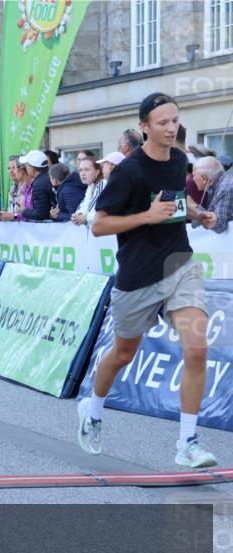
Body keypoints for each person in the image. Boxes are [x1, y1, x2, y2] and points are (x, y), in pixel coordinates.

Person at [79, 93, 220, 468]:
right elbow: (99, 225)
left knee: (197, 349)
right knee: (123, 354)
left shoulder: (178, 160)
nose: (171, 128)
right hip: (138, 276)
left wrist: (197, 213)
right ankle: (92, 412)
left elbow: (176, 201)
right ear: (144, 127)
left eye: (175, 120)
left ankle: (187, 442)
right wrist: (146, 216)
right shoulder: (129, 171)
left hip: (179, 264)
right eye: (162, 122)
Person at [193, 156, 231, 234]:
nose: (193, 179)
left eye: (194, 175)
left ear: (204, 179)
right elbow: (213, 215)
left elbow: (220, 226)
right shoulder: (217, 185)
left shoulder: (226, 187)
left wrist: (193, 207)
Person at [70, 156, 106, 226]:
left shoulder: (102, 183)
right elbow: (81, 208)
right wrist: (77, 216)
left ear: (97, 172)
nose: (83, 174)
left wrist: (84, 217)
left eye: (87, 170)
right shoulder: (91, 186)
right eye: (80, 170)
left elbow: (91, 210)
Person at [20, 150, 54, 220]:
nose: (26, 168)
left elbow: (41, 214)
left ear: (32, 170)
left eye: (27, 166)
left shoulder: (38, 184)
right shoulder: (48, 177)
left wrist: (24, 211)